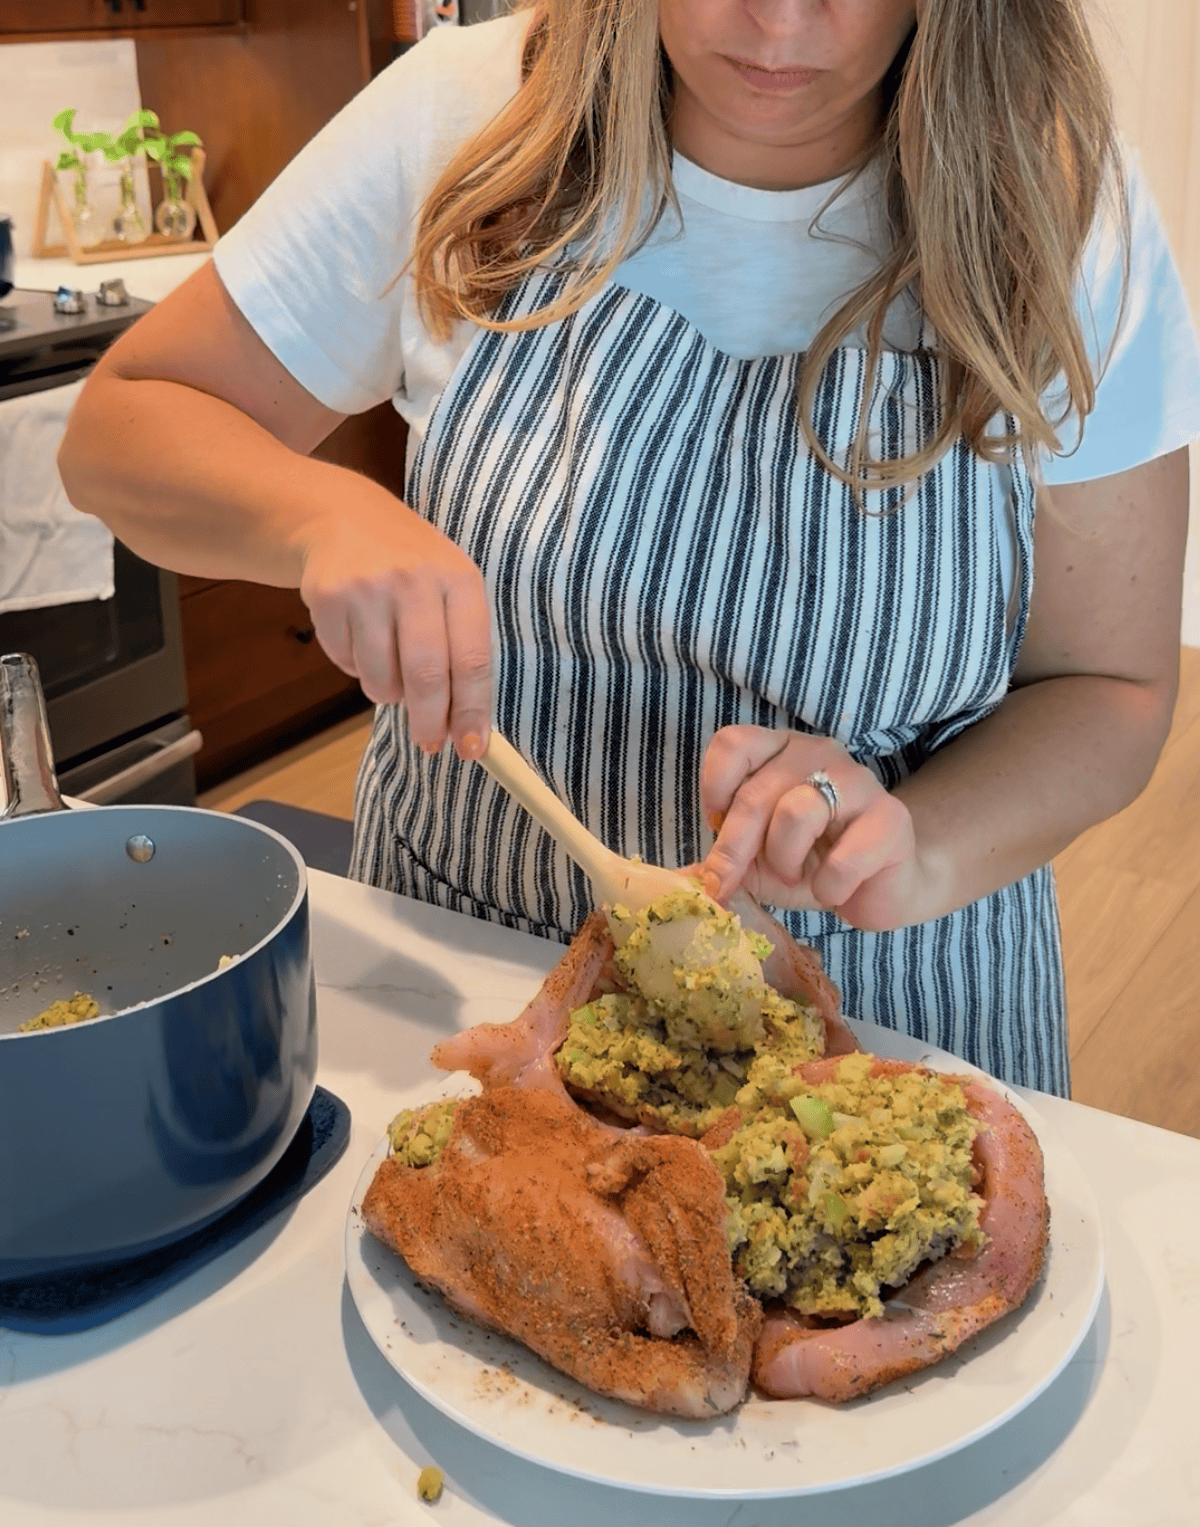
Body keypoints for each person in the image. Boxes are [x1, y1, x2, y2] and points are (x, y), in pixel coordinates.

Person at [59, 0, 1200, 1095]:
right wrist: (319, 513)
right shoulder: (468, 118)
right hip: (476, 984)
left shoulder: (1057, 203)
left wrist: (920, 845)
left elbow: (1111, 686)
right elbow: (119, 431)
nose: (780, 22)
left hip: (897, 1020)